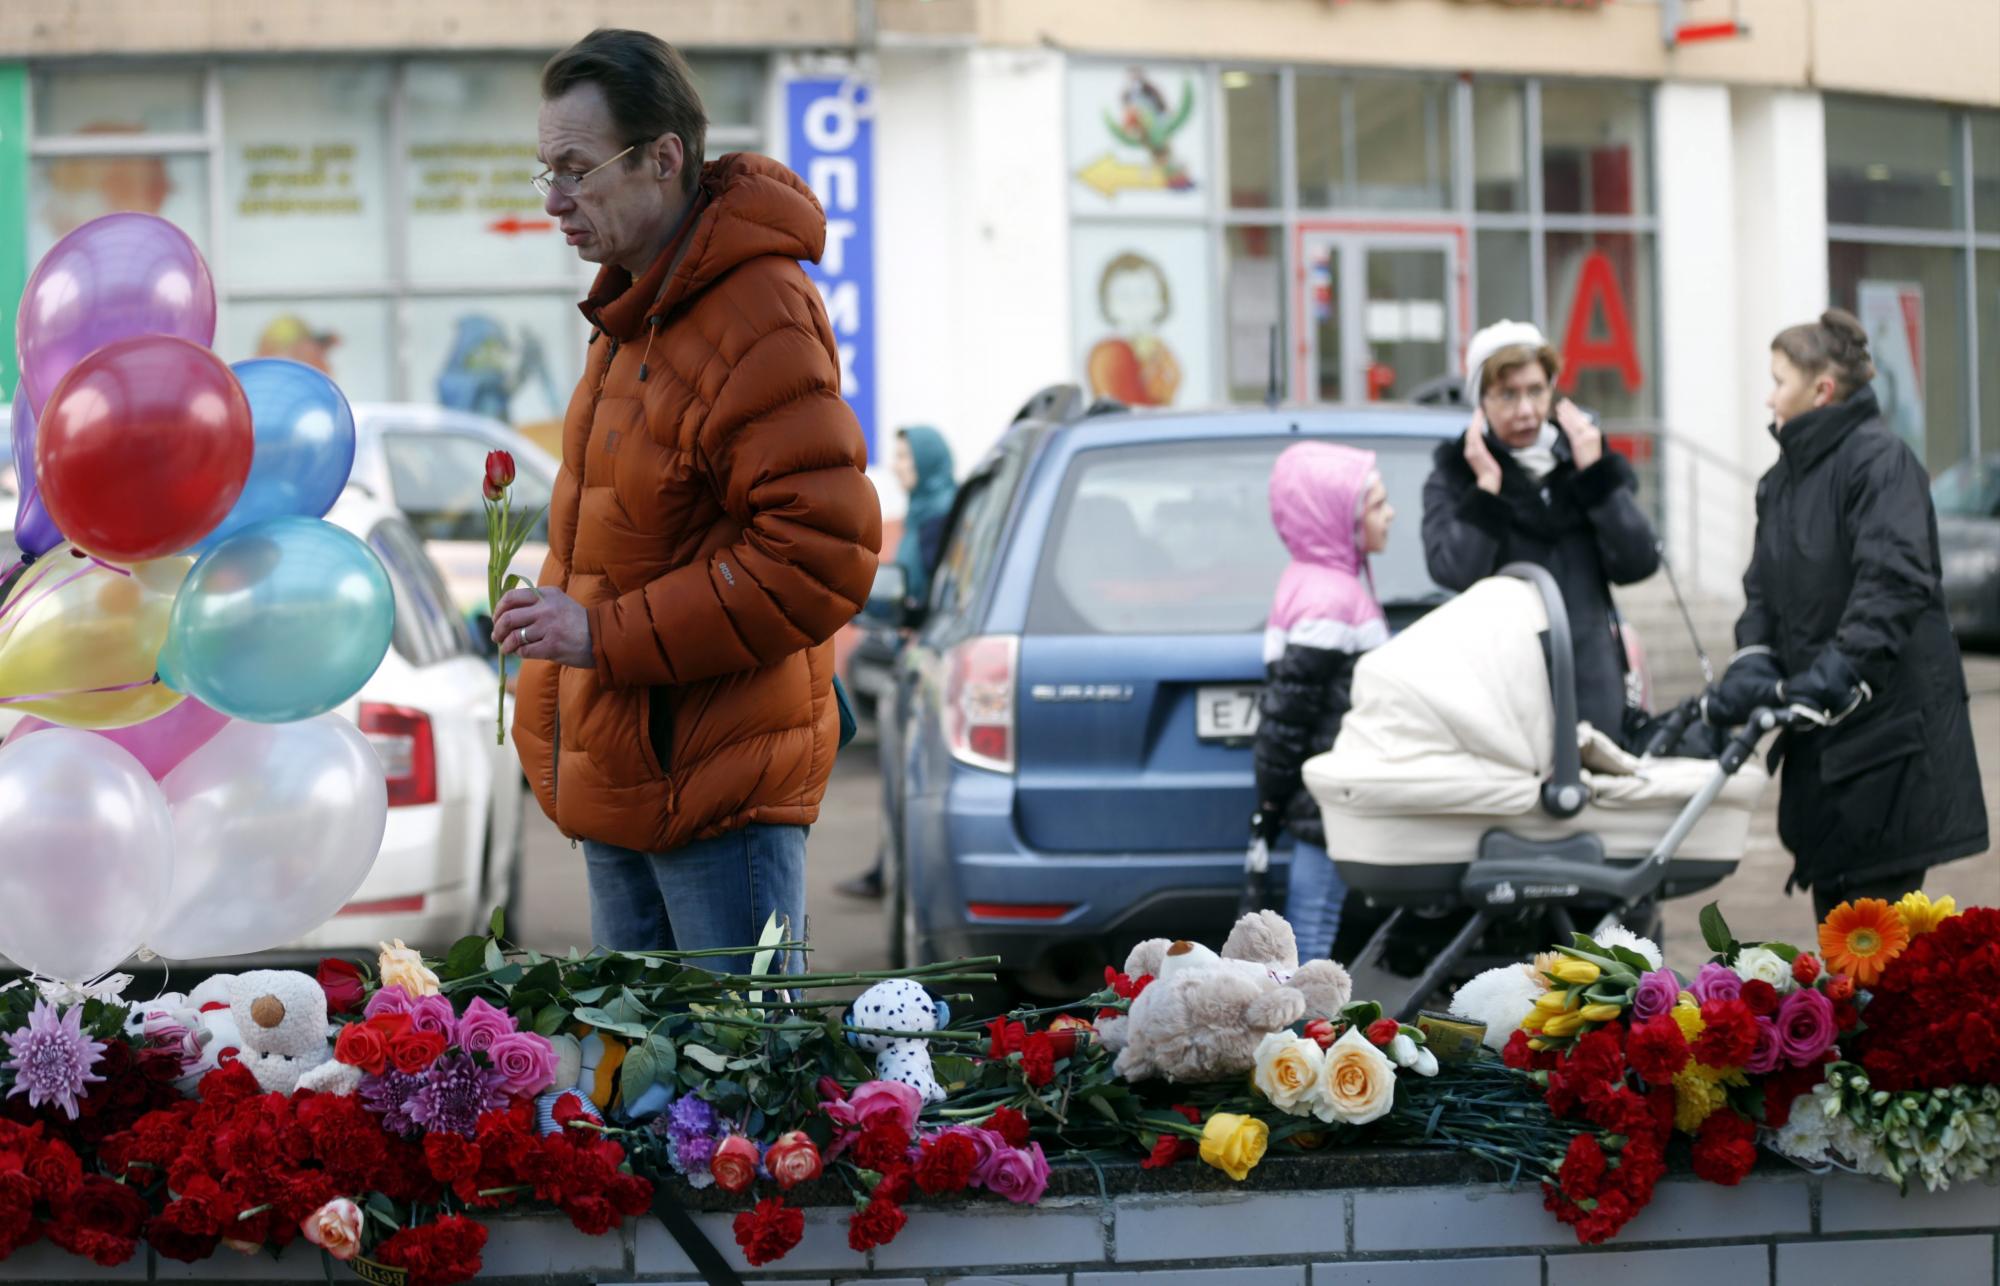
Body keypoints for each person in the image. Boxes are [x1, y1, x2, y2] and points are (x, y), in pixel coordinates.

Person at [492, 29, 881, 974]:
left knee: (737, 1096)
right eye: (544, 170)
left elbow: (822, 553)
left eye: (576, 170)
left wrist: (603, 635)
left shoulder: (756, 311)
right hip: (626, 774)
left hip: (715, 794)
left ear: (664, 159)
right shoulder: (634, 309)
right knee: (642, 1099)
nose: (554, 201)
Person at [1701, 310, 1986, 921]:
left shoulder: (1880, 464)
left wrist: (1834, 676)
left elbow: (1893, 583)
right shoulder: (1780, 483)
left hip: (1889, 749)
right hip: (1827, 755)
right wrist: (1754, 662)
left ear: (1821, 389)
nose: (1768, 394)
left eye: (1779, 380)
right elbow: (1762, 594)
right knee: (1841, 944)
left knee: (1875, 950)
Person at [1421, 320, 1659, 742]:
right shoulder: (1457, 474)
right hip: (1504, 690)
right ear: (1481, 401)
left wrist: (1596, 477)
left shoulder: (1582, 460)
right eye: (1507, 395)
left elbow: (1638, 561)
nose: (1526, 410)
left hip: (1591, 685)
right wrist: (1487, 491)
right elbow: (1455, 572)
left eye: (1536, 391)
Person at [1253, 442, 1396, 963]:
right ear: (1338, 516)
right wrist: (1272, 796)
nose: (1391, 514)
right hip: (1328, 789)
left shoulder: (1322, 583)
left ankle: (1307, 1033)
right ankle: (1300, 1035)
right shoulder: (1331, 599)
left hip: (1326, 786)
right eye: (1378, 504)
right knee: (1311, 927)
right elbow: (1287, 714)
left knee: (1313, 919)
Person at [836, 425, 957, 900]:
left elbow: (924, 595)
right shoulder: (929, 510)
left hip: (929, 667)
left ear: (927, 462)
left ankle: (895, 873)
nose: (900, 467)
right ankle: (888, 868)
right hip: (916, 659)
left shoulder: (938, 519)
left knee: (909, 782)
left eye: (907, 459)